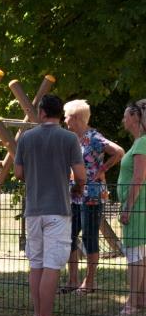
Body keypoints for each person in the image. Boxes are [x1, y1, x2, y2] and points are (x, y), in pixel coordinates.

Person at [14, 95, 86, 316]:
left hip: (33, 210)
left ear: (42, 112)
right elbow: (81, 175)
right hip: (58, 209)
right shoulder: (69, 138)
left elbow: (18, 173)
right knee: (52, 265)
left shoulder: (26, 138)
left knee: (36, 263)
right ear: (58, 114)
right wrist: (77, 188)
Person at [62, 99, 124, 294]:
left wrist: (103, 169)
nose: (64, 120)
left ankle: (89, 282)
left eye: (66, 116)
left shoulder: (94, 137)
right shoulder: (73, 139)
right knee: (69, 236)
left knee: (89, 237)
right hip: (75, 194)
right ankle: (72, 280)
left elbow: (119, 152)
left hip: (92, 195)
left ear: (76, 117)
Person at [117, 100, 146, 316]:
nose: (123, 119)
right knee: (140, 254)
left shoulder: (142, 143)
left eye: (126, 115)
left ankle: (132, 302)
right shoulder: (140, 142)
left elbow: (138, 178)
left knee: (134, 254)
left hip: (136, 207)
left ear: (135, 118)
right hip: (138, 205)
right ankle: (141, 298)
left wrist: (127, 209)